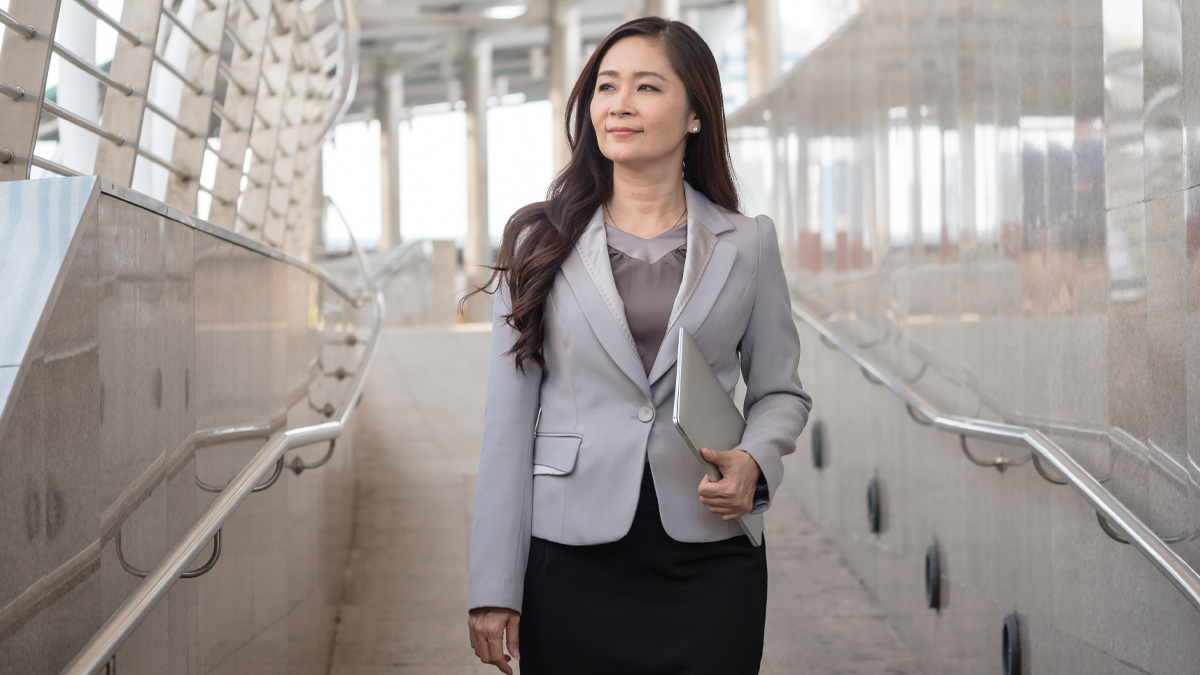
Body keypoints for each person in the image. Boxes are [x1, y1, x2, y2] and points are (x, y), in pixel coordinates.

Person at [461, 16, 812, 675]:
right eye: (606, 87)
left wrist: (755, 462)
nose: (618, 104)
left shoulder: (749, 243)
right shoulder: (539, 244)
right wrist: (493, 586)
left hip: (710, 555)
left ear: (696, 116)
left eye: (646, 87)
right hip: (569, 554)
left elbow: (780, 391)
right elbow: (505, 427)